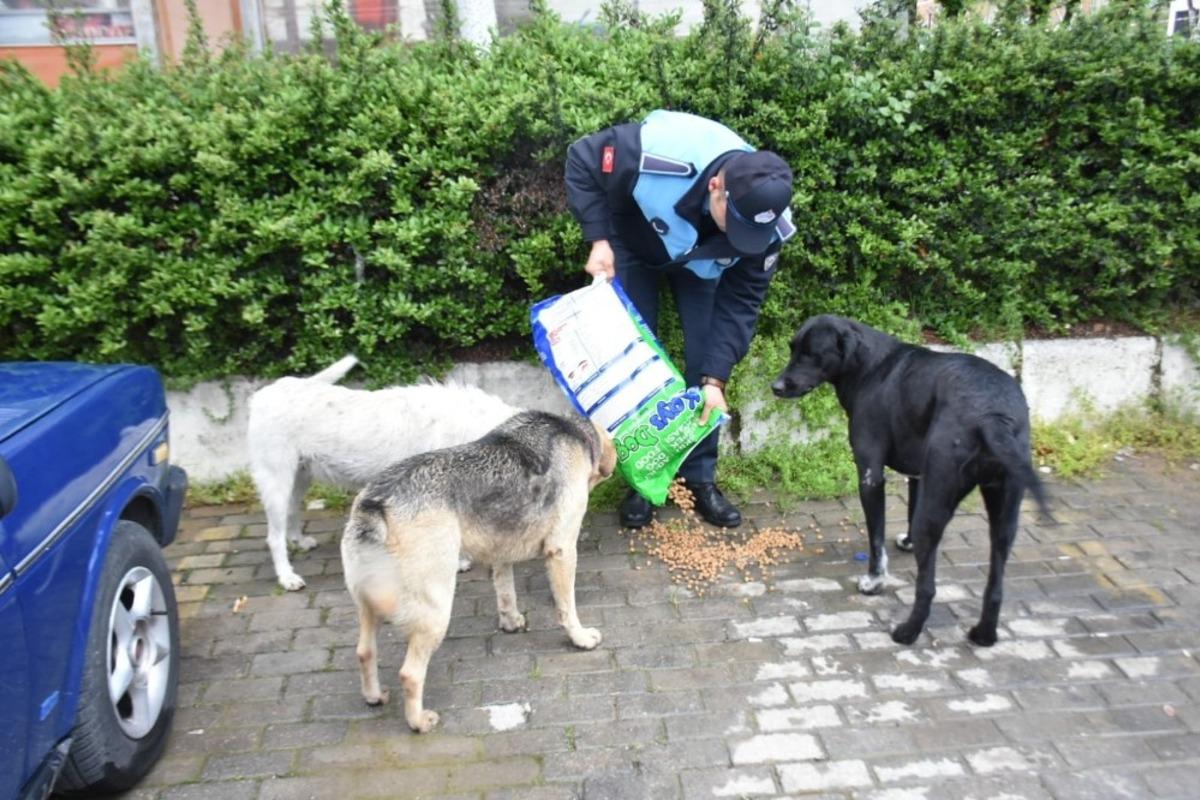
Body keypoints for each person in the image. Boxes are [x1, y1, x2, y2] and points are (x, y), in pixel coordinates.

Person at [564, 109, 796, 529]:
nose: (743, 241)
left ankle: (700, 478)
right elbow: (582, 157)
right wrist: (598, 239)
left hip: (700, 266)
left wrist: (714, 380)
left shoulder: (768, 232)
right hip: (634, 242)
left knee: (707, 365)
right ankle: (643, 479)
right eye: (737, 225)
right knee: (638, 367)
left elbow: (741, 302)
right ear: (716, 188)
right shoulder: (655, 155)